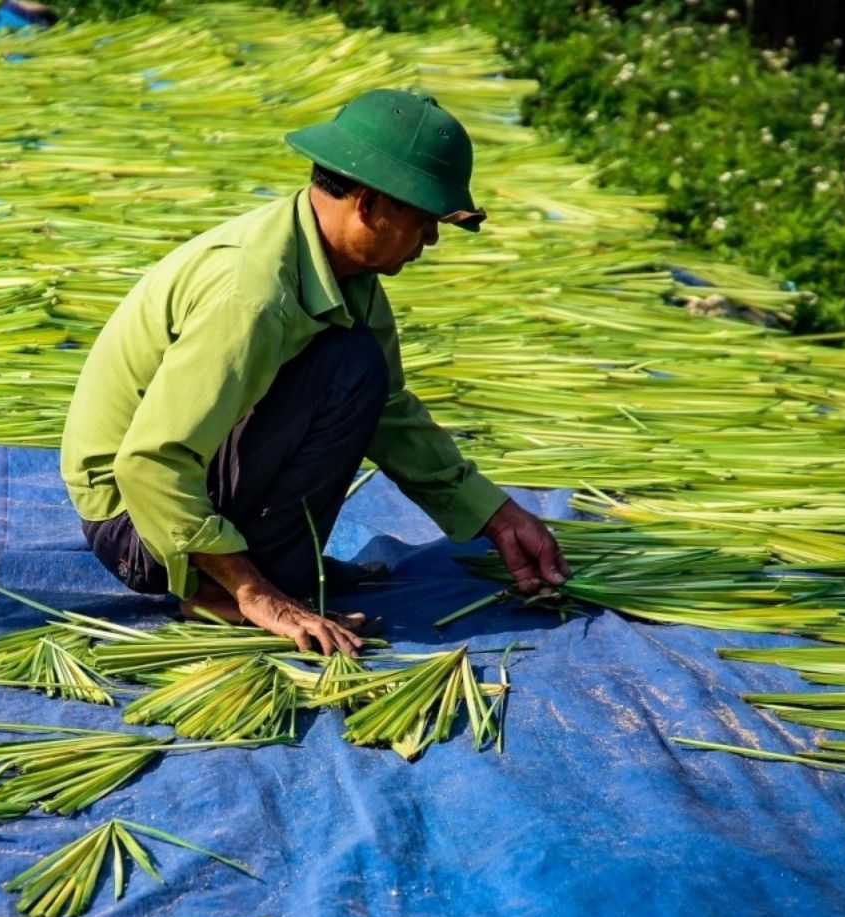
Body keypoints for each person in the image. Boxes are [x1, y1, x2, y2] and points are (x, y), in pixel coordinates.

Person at [59, 88, 569, 657]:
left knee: (356, 371)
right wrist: (257, 594)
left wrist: (496, 516)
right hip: (139, 528)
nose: (430, 239)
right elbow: (150, 463)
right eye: (425, 220)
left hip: (182, 494)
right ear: (370, 205)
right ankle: (216, 587)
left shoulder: (342, 268)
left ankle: (269, 568)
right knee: (345, 367)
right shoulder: (250, 296)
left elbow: (390, 413)